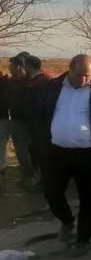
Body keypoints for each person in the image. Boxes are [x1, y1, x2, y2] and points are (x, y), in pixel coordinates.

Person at [40, 54, 91, 258]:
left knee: (88, 198)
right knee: (51, 191)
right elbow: (40, 115)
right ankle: (67, 221)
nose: (85, 79)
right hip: (57, 152)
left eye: (88, 75)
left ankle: (83, 239)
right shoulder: (52, 88)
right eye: (80, 75)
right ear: (69, 69)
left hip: (88, 154)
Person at [7, 52, 35, 182]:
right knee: (20, 150)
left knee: (23, 150)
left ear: (18, 67)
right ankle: (27, 175)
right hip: (15, 119)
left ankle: (30, 176)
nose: (9, 68)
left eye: (11, 66)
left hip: (25, 121)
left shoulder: (28, 82)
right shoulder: (13, 80)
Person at [23, 55, 53, 176]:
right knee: (34, 148)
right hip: (35, 121)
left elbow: (41, 104)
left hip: (39, 122)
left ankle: (42, 177)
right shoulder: (35, 79)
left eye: (25, 65)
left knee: (39, 149)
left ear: (29, 66)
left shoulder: (42, 81)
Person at [0, 68, 9, 180]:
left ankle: (2, 169)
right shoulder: (6, 81)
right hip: (3, 118)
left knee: (1, 145)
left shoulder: (5, 82)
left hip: (2, 118)